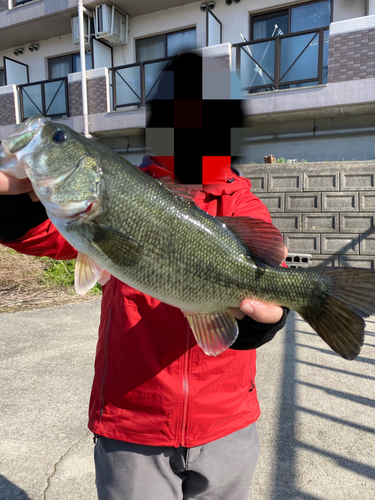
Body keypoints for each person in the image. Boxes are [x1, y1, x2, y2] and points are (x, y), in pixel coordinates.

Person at [0, 53, 289, 500]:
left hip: (227, 424)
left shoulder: (243, 205)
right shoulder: (120, 186)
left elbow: (271, 282)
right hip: (132, 422)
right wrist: (14, 200)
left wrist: (260, 322)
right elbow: (43, 236)